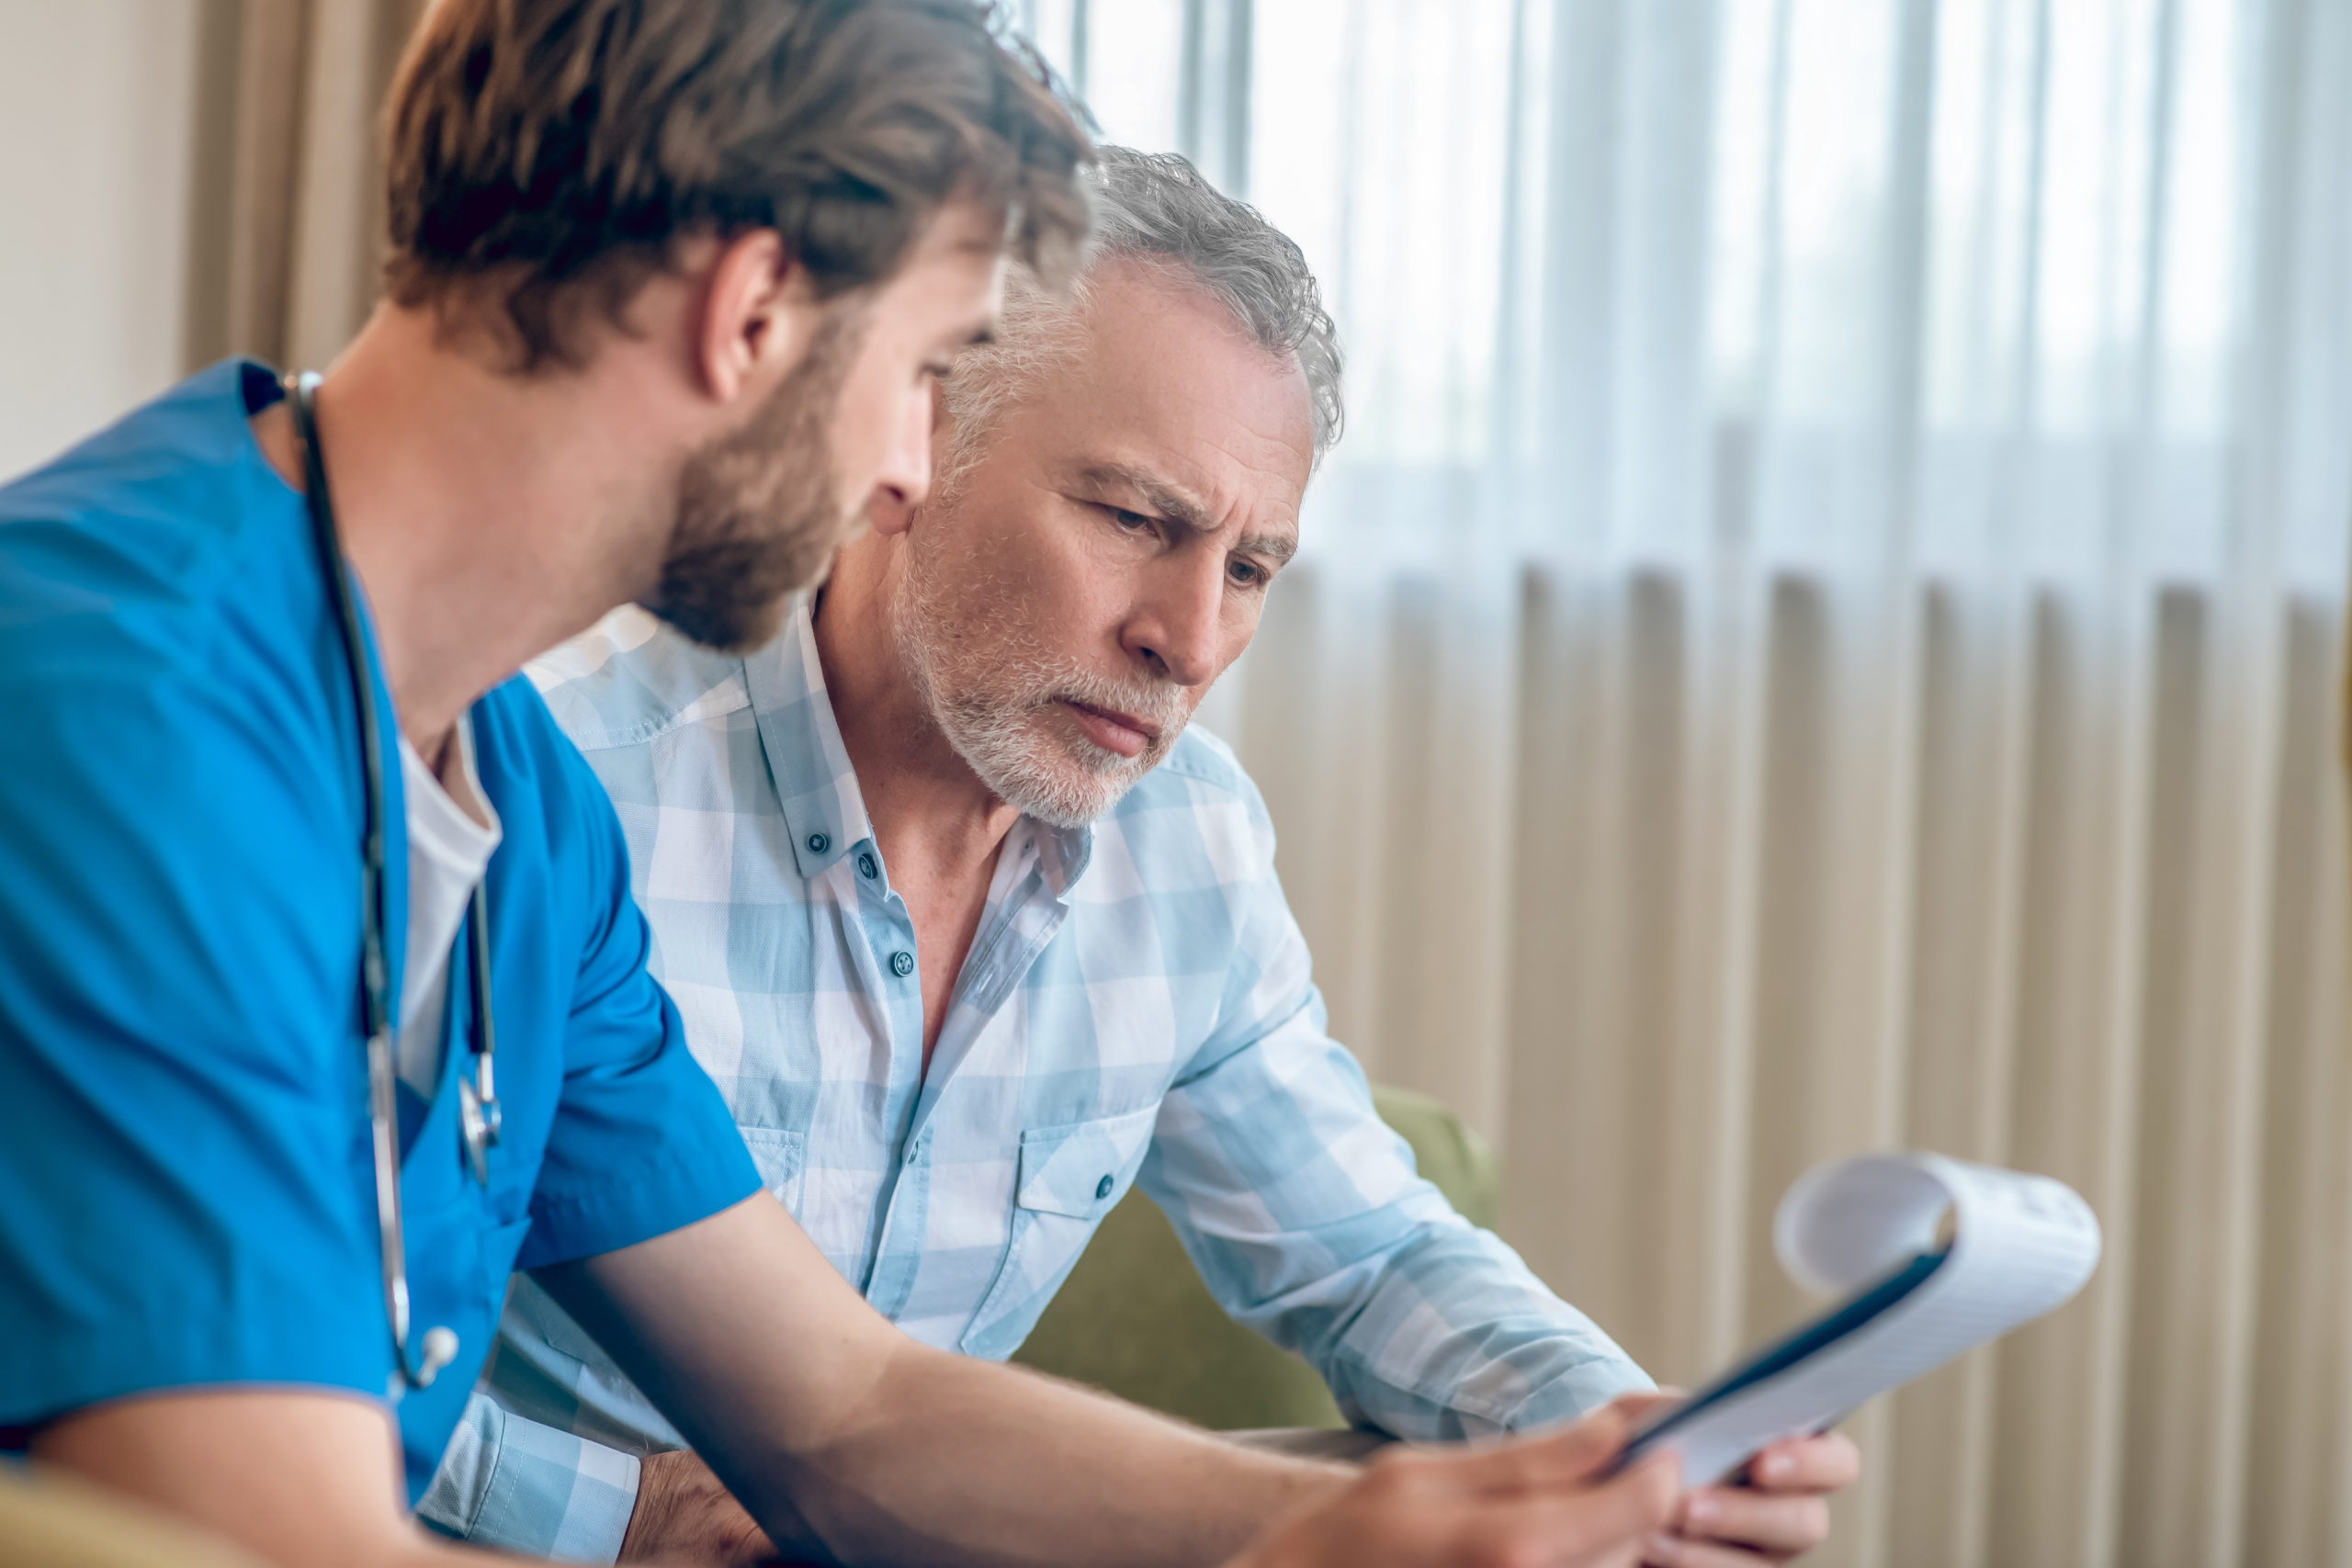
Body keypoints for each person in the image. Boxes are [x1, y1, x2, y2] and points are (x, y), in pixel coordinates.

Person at [0, 3, 1691, 1565]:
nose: (905, 463)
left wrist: (1329, 1527)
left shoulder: (515, 805)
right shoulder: (123, 718)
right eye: (923, 362)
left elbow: (835, 1406)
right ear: (752, 318)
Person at [436, 148, 1858, 1566]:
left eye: (1249, 570)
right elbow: (297, 1348)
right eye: (1134, 520)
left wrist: (1624, 1448)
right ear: (908, 442)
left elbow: (1368, 1264)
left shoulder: (1187, 845)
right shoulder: (552, 784)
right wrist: (621, 1515)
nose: (1186, 639)